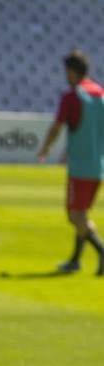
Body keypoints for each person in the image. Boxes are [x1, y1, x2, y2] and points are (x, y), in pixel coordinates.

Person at [35, 49, 104, 275]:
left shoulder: (72, 97)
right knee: (82, 212)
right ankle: (75, 260)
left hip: (80, 166)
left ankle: (102, 251)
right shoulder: (100, 94)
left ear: (73, 72)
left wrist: (45, 148)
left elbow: (57, 127)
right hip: (98, 164)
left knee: (75, 216)